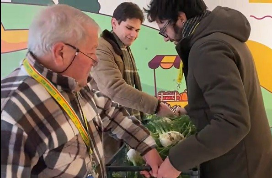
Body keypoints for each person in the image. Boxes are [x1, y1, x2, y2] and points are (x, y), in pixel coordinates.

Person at [1, 4, 162, 178]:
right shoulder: (11, 114)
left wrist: (147, 148)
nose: (95, 61)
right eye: (91, 52)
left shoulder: (74, 84)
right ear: (61, 52)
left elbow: (110, 113)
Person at [144, 0, 272, 178]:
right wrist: (188, 110)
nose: (165, 37)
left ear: (181, 18)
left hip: (238, 166)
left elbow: (232, 122)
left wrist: (176, 161)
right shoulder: (221, 37)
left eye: (163, 29)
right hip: (246, 160)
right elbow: (225, 98)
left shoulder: (208, 49)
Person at [90, 2, 174, 164]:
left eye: (137, 30)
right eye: (129, 28)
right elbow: (113, 89)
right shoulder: (102, 48)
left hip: (125, 131)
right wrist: (156, 106)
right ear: (114, 23)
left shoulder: (122, 48)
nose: (133, 35)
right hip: (108, 134)